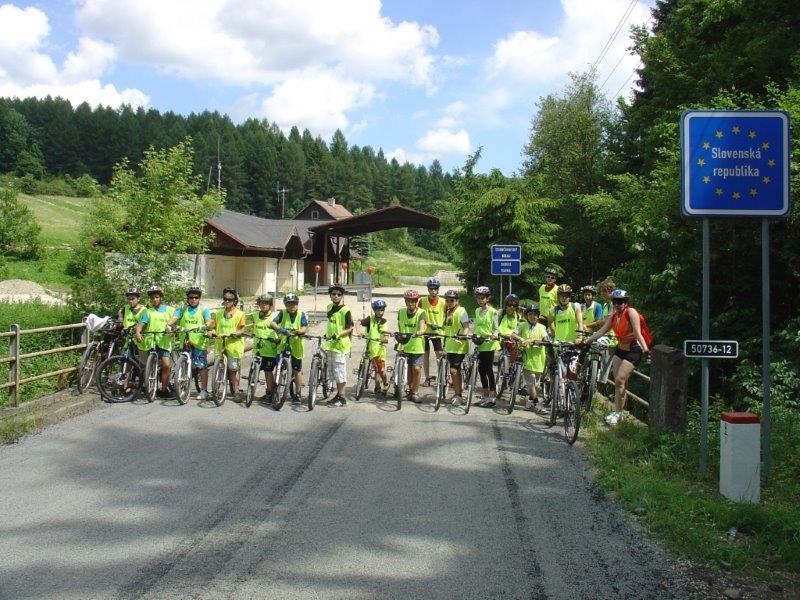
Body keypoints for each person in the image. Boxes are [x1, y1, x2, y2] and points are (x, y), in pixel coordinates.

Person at [582, 289, 650, 425]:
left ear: (626, 302)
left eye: (621, 302)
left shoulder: (631, 313)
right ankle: (618, 411)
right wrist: (583, 343)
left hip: (634, 348)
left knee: (619, 380)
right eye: (615, 302)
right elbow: (601, 332)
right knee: (618, 381)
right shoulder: (613, 316)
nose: (618, 304)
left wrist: (646, 349)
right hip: (621, 348)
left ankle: (618, 413)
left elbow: (637, 333)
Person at [169, 286, 213, 400]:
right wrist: (168, 325)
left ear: (199, 298)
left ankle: (204, 390)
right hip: (185, 341)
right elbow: (174, 318)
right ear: (187, 298)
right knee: (183, 364)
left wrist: (206, 325)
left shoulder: (204, 310)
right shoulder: (182, 309)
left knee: (201, 367)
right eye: (191, 297)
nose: (193, 299)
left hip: (199, 342)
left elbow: (209, 321)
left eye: (196, 297)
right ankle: (182, 387)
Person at [134, 284, 176, 397]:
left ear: (161, 297)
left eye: (156, 297)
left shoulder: (170, 310)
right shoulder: (147, 312)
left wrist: (172, 330)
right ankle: (147, 386)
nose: (154, 299)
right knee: (146, 364)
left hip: (164, 341)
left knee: (166, 365)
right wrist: (138, 332)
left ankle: (164, 389)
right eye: (152, 298)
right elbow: (141, 324)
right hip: (151, 342)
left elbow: (175, 323)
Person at [208, 287, 247, 398]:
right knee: (218, 367)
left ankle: (236, 390)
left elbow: (242, 329)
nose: (227, 301)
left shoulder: (240, 314)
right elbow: (213, 326)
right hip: (220, 343)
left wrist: (236, 333)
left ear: (235, 301)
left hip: (234, 344)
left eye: (230, 300)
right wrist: (211, 331)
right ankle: (216, 390)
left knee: (233, 369)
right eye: (225, 299)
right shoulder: (219, 313)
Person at [510, 304, 550, 412]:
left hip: (539, 359)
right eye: (530, 314)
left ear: (538, 316)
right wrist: (522, 339)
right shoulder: (522, 325)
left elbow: (546, 339)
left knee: (536, 385)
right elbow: (513, 335)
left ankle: (530, 401)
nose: (533, 317)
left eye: (535, 315)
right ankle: (537, 404)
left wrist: (533, 341)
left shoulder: (542, 328)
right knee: (531, 383)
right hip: (527, 358)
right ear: (527, 316)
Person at [271, 292, 309, 404]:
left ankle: (298, 393)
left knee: (297, 370)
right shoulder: (282, 313)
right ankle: (275, 390)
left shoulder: (301, 314)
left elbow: (304, 327)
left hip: (296, 345)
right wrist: (280, 330)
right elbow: (273, 323)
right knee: (277, 368)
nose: (291, 306)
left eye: (294, 304)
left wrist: (298, 332)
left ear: (297, 304)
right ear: (285, 305)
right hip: (283, 345)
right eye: (289, 304)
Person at [324, 284, 353, 407]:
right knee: (334, 373)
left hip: (340, 345)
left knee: (340, 373)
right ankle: (338, 395)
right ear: (330, 296)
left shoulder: (346, 310)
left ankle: (342, 398)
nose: (336, 296)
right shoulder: (329, 307)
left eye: (339, 294)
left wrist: (339, 334)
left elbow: (350, 328)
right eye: (334, 294)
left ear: (342, 296)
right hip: (330, 344)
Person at [397, 289, 427, 403]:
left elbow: (422, 326)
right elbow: (400, 326)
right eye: (409, 301)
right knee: (409, 369)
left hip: (417, 345)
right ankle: (410, 390)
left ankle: (415, 392)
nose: (411, 303)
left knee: (416, 369)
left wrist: (420, 332)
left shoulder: (421, 312)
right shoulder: (401, 312)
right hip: (405, 344)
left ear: (416, 301)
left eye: (413, 301)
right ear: (405, 302)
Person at [442, 289, 471, 406]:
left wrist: (463, 335)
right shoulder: (448, 311)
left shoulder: (461, 311)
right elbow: (447, 328)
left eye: (452, 300)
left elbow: (466, 326)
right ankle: (457, 393)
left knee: (454, 371)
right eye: (447, 300)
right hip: (450, 346)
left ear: (457, 301)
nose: (449, 302)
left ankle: (458, 395)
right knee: (455, 371)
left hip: (459, 346)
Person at [473, 286, 500, 408]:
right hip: (480, 343)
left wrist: (494, 335)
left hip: (489, 344)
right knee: (481, 370)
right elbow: (477, 326)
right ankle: (485, 394)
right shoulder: (477, 311)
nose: (480, 300)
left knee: (488, 369)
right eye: (478, 298)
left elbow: (496, 328)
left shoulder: (493, 311)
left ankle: (493, 396)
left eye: (482, 298)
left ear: (487, 298)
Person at [250, 294, 280, 402]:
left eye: (266, 303)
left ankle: (270, 392)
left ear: (270, 305)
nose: (263, 305)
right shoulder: (254, 315)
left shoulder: (275, 317)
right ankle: (254, 389)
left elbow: (280, 331)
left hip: (270, 350)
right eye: (261, 303)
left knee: (268, 371)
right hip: (258, 349)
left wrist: (278, 339)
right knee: (257, 369)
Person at [356, 299, 390, 394]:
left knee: (381, 370)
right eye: (378, 310)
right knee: (376, 368)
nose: (380, 312)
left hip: (380, 349)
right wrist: (359, 332)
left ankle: (385, 382)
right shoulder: (370, 319)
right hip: (370, 347)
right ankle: (377, 386)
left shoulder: (384, 321)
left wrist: (385, 339)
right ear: (374, 310)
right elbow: (358, 323)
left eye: (382, 310)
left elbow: (386, 333)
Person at [420, 278, 445, 386]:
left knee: (439, 354)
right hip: (425, 331)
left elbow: (449, 315)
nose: (433, 291)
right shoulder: (422, 300)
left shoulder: (443, 302)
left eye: (435, 289)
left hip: (438, 332)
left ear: (438, 290)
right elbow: (419, 315)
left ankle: (441, 377)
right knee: (425, 355)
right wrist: (428, 324)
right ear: (428, 289)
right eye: (431, 289)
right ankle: (427, 377)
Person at [118, 287, 145, 359]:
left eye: (133, 299)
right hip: (128, 339)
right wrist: (120, 318)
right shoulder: (126, 307)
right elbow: (120, 311)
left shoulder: (144, 310)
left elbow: (145, 323)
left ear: (138, 299)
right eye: (128, 299)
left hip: (140, 341)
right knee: (125, 359)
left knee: (140, 363)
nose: (130, 301)